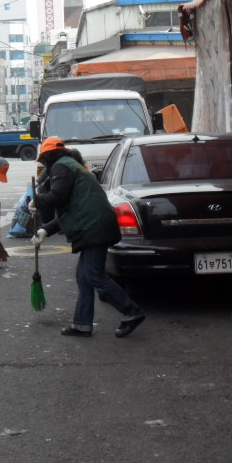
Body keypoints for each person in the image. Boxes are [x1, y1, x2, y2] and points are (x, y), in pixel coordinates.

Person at [30, 137, 145, 338]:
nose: (44, 165)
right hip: (96, 225)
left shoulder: (61, 167)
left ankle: (132, 312)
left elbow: (58, 197)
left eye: (44, 161)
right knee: (84, 277)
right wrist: (45, 230)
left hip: (94, 228)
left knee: (93, 275)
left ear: (48, 157)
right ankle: (82, 324)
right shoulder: (73, 165)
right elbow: (72, 207)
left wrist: (37, 201)